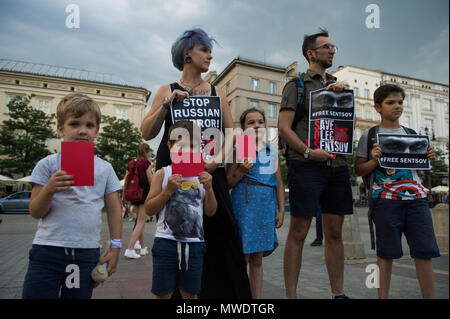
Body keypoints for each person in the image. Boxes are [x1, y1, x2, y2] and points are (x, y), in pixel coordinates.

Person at [140, 28, 251, 299]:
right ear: (187, 54)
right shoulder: (167, 89)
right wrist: (167, 104)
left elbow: (231, 131)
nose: (210, 55)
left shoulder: (217, 91)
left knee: (222, 235)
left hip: (209, 174)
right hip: (176, 172)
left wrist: (214, 162)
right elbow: (147, 132)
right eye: (205, 50)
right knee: (177, 233)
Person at [22, 93, 122, 299]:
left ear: (96, 131)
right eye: (74, 124)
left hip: (85, 253)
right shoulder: (48, 164)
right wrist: (49, 189)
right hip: (48, 250)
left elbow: (114, 209)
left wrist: (115, 248)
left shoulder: (105, 168)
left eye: (89, 125)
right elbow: (35, 211)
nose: (82, 130)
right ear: (61, 128)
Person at [278, 28, 353, 299]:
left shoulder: (337, 85)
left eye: (334, 47)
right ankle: (291, 295)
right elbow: (284, 128)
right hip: (305, 164)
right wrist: (309, 152)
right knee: (299, 231)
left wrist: (340, 96)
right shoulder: (297, 85)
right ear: (311, 53)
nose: (333, 50)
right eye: (327, 47)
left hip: (337, 165)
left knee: (334, 232)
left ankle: (338, 293)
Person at [355, 84, 440, 299]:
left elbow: (419, 168)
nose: (397, 106)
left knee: (424, 253)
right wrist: (374, 161)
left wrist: (430, 157)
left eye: (400, 102)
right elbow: (358, 169)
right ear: (378, 107)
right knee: (385, 255)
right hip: (385, 200)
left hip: (417, 199)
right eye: (390, 103)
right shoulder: (370, 136)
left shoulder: (412, 135)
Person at [145, 121, 217, 299]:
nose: (187, 151)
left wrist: (209, 188)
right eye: (181, 145)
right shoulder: (162, 174)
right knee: (162, 294)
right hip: (165, 242)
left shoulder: (203, 176)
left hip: (195, 244)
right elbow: (148, 209)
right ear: (170, 145)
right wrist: (167, 191)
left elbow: (211, 211)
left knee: (191, 294)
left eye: (193, 146)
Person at [226, 108, 285, 299]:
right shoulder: (237, 150)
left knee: (258, 258)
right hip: (244, 206)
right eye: (251, 122)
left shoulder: (272, 152)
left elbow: (279, 183)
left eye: (260, 122)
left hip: (265, 208)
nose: (257, 126)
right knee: (243, 256)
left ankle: (256, 300)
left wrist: (281, 210)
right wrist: (242, 170)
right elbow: (229, 182)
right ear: (243, 128)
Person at [124, 143, 153, 259]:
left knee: (139, 222)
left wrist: (124, 196)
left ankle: (142, 248)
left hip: (133, 193)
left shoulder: (131, 163)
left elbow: (126, 180)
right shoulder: (146, 164)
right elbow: (151, 180)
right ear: (147, 151)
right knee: (141, 221)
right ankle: (130, 248)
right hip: (144, 193)